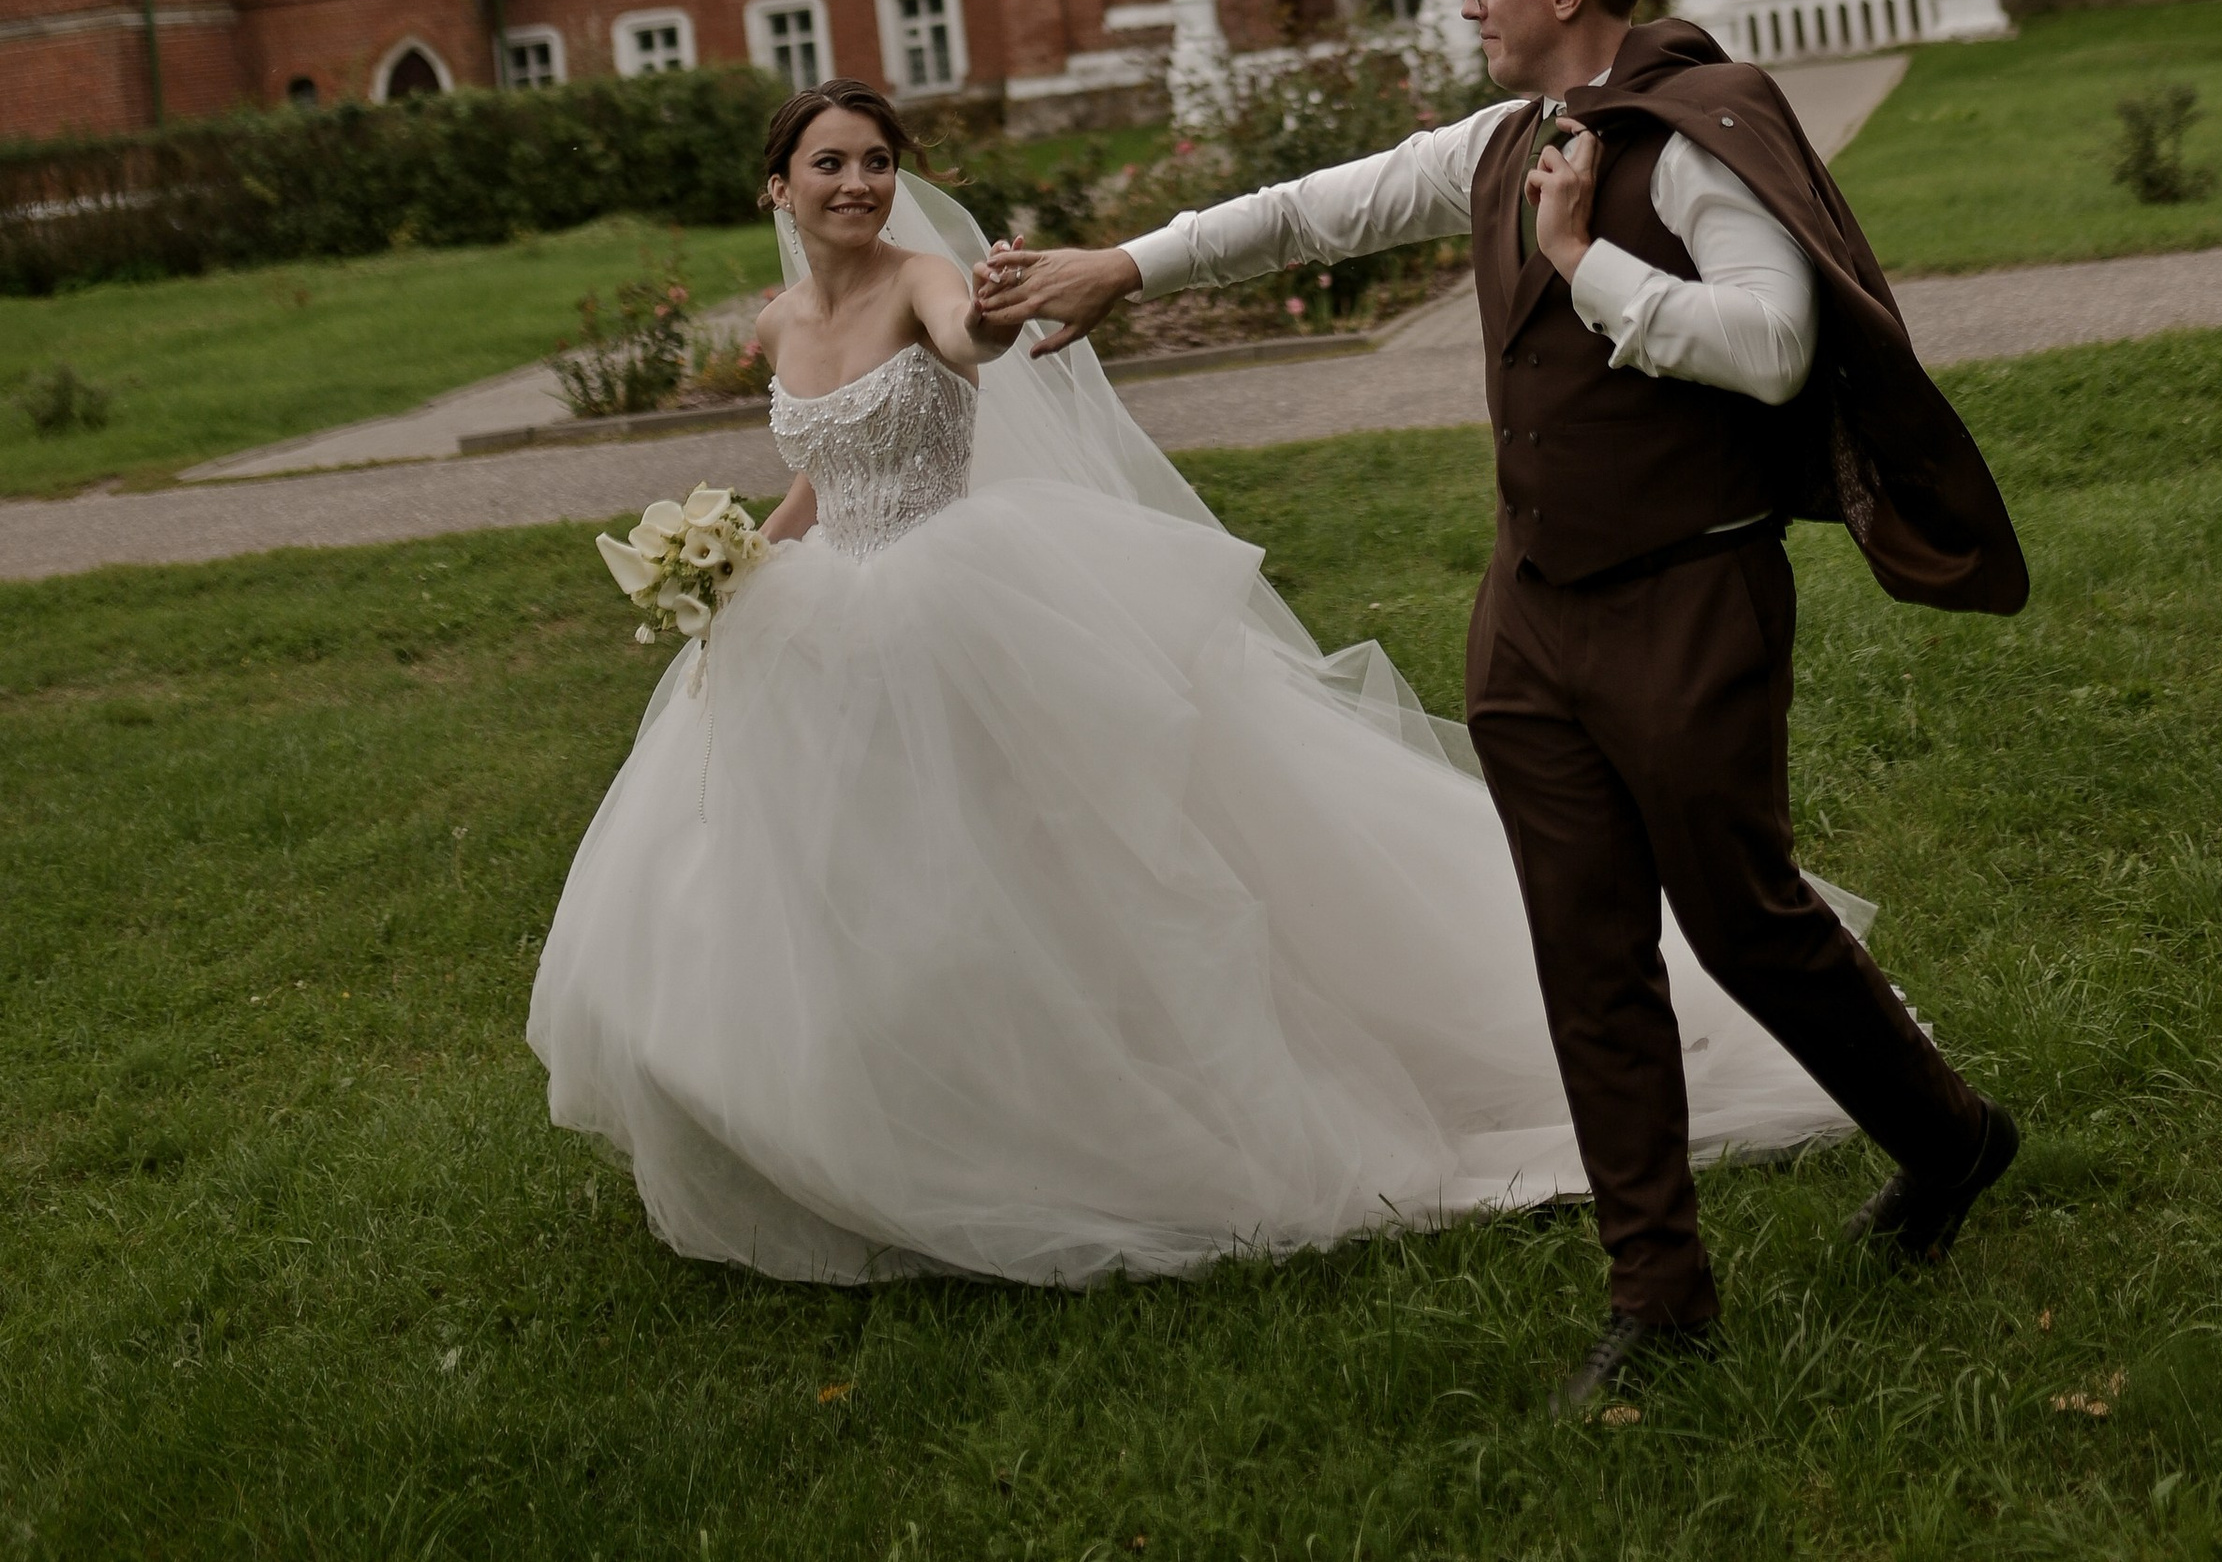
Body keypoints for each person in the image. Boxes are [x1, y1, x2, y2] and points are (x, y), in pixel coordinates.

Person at [528, 73, 1870, 1309]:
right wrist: (735, 574)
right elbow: (826, 470)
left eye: (878, 163)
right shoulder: (776, 319)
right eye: (830, 165)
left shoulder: (923, 281)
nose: (859, 185)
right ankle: (891, 1113)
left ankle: (1087, 1121)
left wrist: (995, 303)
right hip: (832, 614)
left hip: (954, 606)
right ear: (778, 189)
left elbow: (966, 346)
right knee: (847, 883)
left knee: (1031, 871)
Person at [974, 0, 2027, 1409]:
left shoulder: (1687, 138)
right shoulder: (1493, 146)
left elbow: (1775, 341)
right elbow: (1314, 207)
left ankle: (1949, 1137)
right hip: (1530, 613)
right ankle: (1658, 1295)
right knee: (1585, 951)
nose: (1466, 3)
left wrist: (1591, 267)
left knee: (1742, 922)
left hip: (1691, 593)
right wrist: (1129, 267)